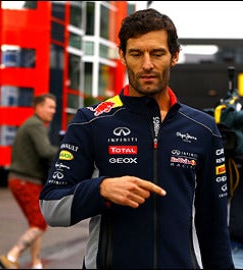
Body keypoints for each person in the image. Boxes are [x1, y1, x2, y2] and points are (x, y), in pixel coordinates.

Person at [39, 8, 234, 269]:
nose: (147, 65)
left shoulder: (203, 128)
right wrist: (101, 190)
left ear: (174, 56)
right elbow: (51, 207)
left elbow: (215, 229)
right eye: (136, 54)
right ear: (122, 55)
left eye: (157, 53)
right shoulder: (91, 122)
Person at [0, 93, 58, 269]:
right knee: (40, 222)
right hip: (25, 181)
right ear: (38, 107)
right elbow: (45, 151)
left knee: (35, 223)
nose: (53, 111)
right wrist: (67, 152)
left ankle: (36, 263)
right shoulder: (35, 125)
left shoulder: (34, 124)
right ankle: (11, 256)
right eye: (50, 107)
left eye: (54, 107)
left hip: (24, 180)